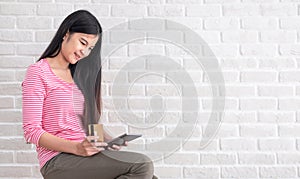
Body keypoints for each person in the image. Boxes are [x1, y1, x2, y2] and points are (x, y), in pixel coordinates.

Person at [22, 10, 156, 179]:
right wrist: (77, 148)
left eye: (90, 48)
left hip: (86, 157)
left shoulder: (80, 76)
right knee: (142, 165)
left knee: (149, 176)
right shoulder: (38, 72)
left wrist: (106, 141)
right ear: (66, 34)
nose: (84, 52)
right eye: (82, 42)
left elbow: (89, 124)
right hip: (58, 160)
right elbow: (31, 132)